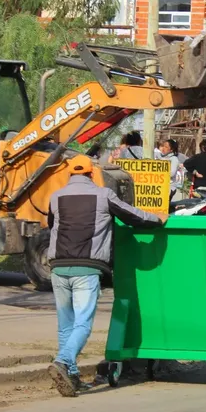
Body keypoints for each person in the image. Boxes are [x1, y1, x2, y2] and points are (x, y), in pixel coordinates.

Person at [46, 154, 167, 397]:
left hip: (58, 267)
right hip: (87, 268)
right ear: (92, 173)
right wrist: (158, 219)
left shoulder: (56, 197)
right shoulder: (103, 195)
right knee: (82, 323)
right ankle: (62, 362)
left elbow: (52, 226)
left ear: (69, 174)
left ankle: (72, 376)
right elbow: (133, 215)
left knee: (66, 325)